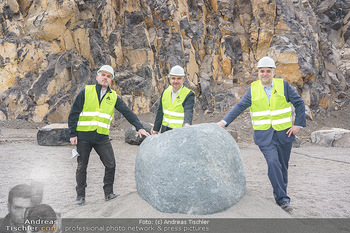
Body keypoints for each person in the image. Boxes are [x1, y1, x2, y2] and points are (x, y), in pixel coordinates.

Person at [217, 56, 306, 212]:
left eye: (268, 71)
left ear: (273, 72)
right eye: (262, 71)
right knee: (273, 163)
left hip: (285, 133)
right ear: (258, 72)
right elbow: (240, 106)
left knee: (283, 167)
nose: (265, 74)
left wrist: (297, 124)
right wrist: (223, 122)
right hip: (264, 136)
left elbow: (299, 103)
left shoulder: (284, 86)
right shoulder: (253, 88)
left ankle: (281, 194)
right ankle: (283, 200)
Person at [68, 65, 150, 205]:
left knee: (111, 164)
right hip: (84, 137)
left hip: (102, 138)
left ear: (111, 80)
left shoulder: (113, 97)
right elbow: (74, 113)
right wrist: (72, 133)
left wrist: (139, 127)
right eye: (103, 75)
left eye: (108, 76)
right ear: (97, 77)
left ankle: (109, 193)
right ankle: (80, 196)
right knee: (82, 167)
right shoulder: (86, 92)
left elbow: (127, 112)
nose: (105, 78)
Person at [153, 65, 195, 134]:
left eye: (179, 78)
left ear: (183, 80)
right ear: (170, 79)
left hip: (179, 131)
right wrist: (156, 129)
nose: (176, 81)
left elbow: (188, 111)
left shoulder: (188, 94)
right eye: (173, 78)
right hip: (165, 130)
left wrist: (187, 124)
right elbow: (160, 111)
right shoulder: (165, 91)